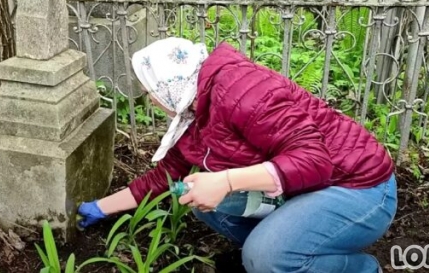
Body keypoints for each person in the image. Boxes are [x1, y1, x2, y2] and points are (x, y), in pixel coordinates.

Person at [77, 37, 397, 273]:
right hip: (307, 187)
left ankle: (358, 268)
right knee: (203, 201)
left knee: (268, 257)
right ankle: (286, 251)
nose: (149, 100)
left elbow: (314, 161)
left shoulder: (241, 91)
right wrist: (99, 209)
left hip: (360, 188)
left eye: (148, 91)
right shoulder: (195, 109)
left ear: (167, 85)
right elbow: (166, 176)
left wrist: (226, 180)